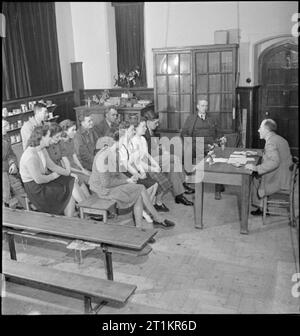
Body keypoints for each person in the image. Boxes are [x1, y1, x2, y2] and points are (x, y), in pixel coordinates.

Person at [89, 131, 176, 229]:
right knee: (141, 188)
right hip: (103, 190)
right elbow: (106, 183)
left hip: (111, 186)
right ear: (118, 140)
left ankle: (140, 227)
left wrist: (129, 179)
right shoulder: (104, 157)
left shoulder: (114, 152)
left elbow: (117, 174)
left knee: (138, 193)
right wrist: (127, 181)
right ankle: (157, 218)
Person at [19, 125, 77, 217]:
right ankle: (69, 222)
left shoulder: (42, 149)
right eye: (49, 136)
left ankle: (74, 216)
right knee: (68, 192)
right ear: (42, 137)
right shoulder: (30, 156)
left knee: (70, 180)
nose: (51, 139)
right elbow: (39, 180)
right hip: (36, 188)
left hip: (44, 181)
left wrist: (67, 173)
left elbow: (53, 166)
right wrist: (54, 176)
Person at [143, 109, 194, 206]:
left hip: (156, 157)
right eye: (156, 122)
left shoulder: (153, 132)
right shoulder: (143, 133)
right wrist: (161, 152)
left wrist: (162, 150)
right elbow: (147, 153)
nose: (157, 125)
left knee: (173, 167)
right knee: (175, 158)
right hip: (148, 161)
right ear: (148, 122)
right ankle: (184, 183)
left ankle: (179, 196)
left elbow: (156, 147)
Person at [245, 119, 293, 216]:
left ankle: (261, 208)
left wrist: (256, 168)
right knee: (258, 174)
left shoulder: (270, 142)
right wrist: (256, 153)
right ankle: (261, 205)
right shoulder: (278, 138)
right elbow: (270, 153)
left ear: (266, 130)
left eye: (260, 128)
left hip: (279, 178)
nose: (258, 130)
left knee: (254, 176)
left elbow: (274, 161)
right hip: (286, 174)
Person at [181, 99, 224, 200]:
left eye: (206, 106)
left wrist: (220, 138)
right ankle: (193, 187)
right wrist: (191, 143)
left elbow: (219, 132)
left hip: (210, 144)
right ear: (197, 107)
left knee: (218, 160)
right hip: (196, 145)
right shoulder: (191, 118)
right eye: (202, 105)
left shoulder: (212, 118)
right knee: (191, 157)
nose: (204, 108)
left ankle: (218, 188)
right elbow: (184, 133)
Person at [118, 121, 159, 223]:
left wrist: (141, 171)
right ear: (125, 131)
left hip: (133, 170)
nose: (133, 131)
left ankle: (143, 210)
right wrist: (138, 175)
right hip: (124, 173)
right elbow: (126, 165)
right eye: (131, 130)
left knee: (155, 185)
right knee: (146, 187)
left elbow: (136, 160)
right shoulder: (121, 145)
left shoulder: (130, 143)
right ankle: (141, 210)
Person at [131, 117, 173, 212]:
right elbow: (137, 162)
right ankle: (147, 207)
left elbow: (147, 154)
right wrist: (152, 168)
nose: (145, 128)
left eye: (145, 126)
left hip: (146, 163)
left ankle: (157, 203)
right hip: (138, 168)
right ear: (135, 129)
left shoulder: (142, 139)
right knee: (158, 181)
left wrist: (156, 165)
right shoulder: (133, 141)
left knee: (165, 182)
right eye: (143, 127)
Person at [59, 119, 91, 198]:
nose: (75, 132)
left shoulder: (71, 140)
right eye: (72, 130)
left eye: (75, 129)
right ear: (65, 131)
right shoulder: (60, 144)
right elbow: (66, 167)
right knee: (92, 180)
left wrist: (82, 169)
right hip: (71, 171)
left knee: (93, 177)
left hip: (77, 169)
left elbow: (75, 157)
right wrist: (82, 171)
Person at [2, 118, 27, 209]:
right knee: (6, 192)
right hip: (4, 170)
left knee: (18, 187)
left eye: (7, 126)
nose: (7, 128)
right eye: (4, 126)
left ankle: (27, 209)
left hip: (8, 167)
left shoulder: (6, 136)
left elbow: (10, 153)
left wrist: (12, 163)